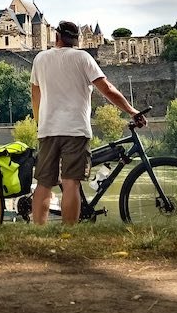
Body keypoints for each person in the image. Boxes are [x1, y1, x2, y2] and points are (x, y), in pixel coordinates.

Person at [30, 20, 147, 225]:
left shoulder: (40, 59)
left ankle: (38, 232)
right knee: (71, 183)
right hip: (75, 130)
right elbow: (107, 89)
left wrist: (40, 121)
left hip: (48, 130)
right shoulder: (83, 57)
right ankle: (69, 233)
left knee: (44, 184)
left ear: (56, 37)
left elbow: (35, 93)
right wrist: (131, 110)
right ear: (76, 40)